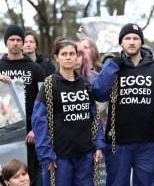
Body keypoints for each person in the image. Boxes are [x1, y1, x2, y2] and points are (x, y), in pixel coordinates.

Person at [92, 23, 154, 186]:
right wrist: (112, 66)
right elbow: (98, 93)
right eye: (127, 38)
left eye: (135, 38)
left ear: (141, 42)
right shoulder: (113, 67)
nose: (131, 42)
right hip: (118, 143)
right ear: (121, 42)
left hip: (149, 143)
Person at [31, 39, 105, 186]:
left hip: (85, 155)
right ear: (56, 57)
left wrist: (99, 145)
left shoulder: (85, 84)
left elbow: (94, 118)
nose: (68, 57)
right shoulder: (49, 85)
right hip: (60, 158)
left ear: (78, 56)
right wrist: (46, 155)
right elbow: (39, 122)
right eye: (64, 54)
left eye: (72, 53)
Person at [0, 24, 45, 186]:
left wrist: (35, 127)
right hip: (5, 130)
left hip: (30, 132)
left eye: (19, 39)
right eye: (12, 39)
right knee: (7, 173)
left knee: (30, 174)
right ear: (6, 42)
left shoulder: (35, 68)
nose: (16, 43)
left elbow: (44, 100)